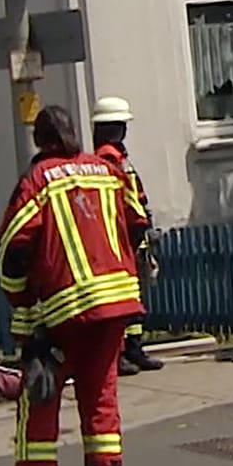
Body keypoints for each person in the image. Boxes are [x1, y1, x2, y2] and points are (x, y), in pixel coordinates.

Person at [0, 106, 145, 466]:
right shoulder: (106, 171)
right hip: (115, 306)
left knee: (40, 398)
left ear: (40, 141)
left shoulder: (37, 180)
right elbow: (137, 220)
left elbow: (12, 248)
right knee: (100, 395)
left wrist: (22, 304)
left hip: (64, 310)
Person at [89, 96, 162, 376]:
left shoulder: (117, 156)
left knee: (133, 294)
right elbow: (123, 199)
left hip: (132, 233)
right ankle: (119, 353)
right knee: (121, 296)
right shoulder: (108, 158)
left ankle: (133, 347)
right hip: (122, 235)